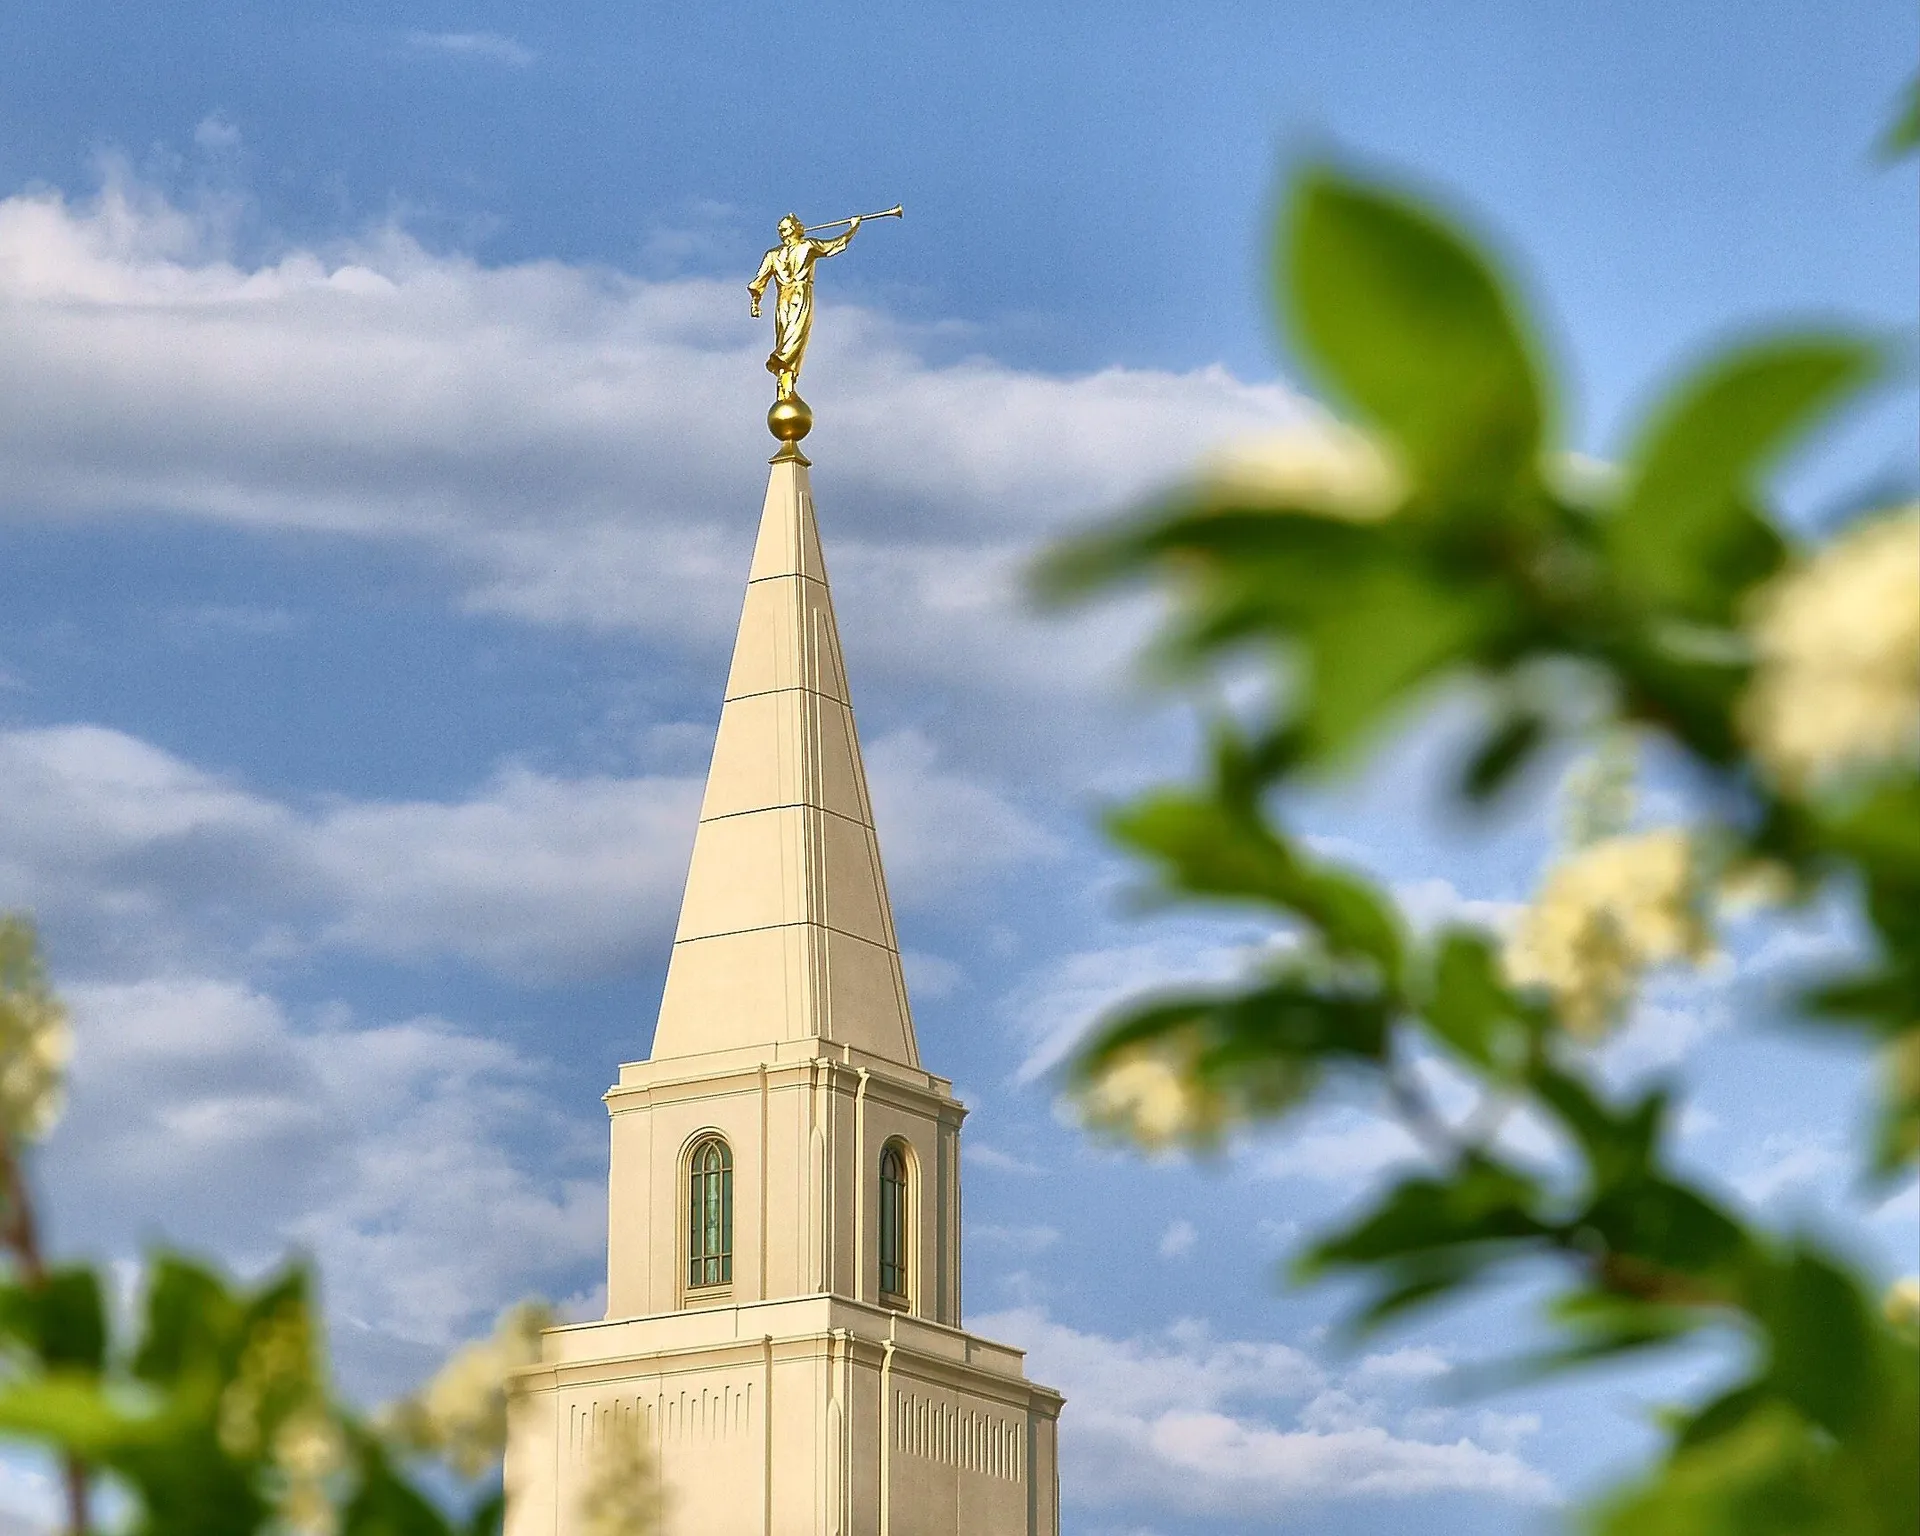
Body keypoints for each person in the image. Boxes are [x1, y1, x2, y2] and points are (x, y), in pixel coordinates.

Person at [748, 213, 860, 400]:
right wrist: (853, 228)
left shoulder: (774, 254)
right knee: (796, 336)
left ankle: (785, 378)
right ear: (795, 229)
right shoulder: (807, 246)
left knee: (787, 335)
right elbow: (834, 245)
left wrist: (755, 302)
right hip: (799, 295)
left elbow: (759, 281)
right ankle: (783, 369)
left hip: (783, 298)